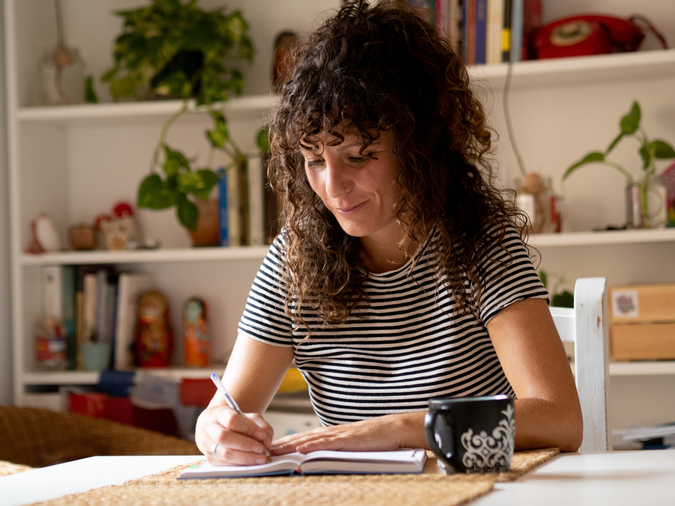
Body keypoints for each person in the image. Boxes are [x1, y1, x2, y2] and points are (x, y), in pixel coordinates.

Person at [195, 0, 582, 466]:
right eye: (315, 160)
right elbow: (226, 409)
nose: (332, 186)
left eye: (358, 156)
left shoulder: (481, 244)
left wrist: (403, 429)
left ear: (418, 147)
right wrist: (217, 429)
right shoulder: (294, 259)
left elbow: (560, 418)